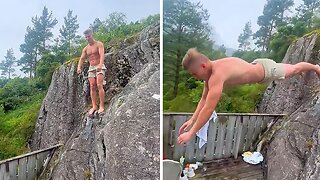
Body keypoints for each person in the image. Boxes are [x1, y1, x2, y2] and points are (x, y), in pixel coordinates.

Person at [177, 48, 320, 144]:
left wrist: (191, 133)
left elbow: (208, 108)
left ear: (203, 66)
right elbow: (203, 99)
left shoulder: (217, 75)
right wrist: (192, 120)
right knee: (291, 69)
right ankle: (300, 69)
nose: (195, 77)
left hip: (267, 71)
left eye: (195, 74)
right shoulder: (209, 78)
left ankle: (315, 67)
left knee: (295, 68)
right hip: (258, 65)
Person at [77, 29, 106, 116]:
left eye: (88, 36)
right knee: (92, 86)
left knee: (99, 85)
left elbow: (101, 55)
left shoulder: (99, 44)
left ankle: (101, 105)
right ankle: (94, 106)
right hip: (91, 68)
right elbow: (82, 58)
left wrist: (100, 65)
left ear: (92, 35)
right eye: (86, 37)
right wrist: (79, 67)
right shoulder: (86, 49)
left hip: (99, 66)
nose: (87, 38)